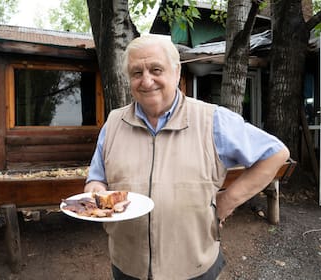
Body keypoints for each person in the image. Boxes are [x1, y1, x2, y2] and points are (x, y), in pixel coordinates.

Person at [84, 34, 290, 280]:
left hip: (193, 267)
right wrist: (96, 192)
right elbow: (97, 178)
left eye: (156, 69)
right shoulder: (113, 123)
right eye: (136, 73)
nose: (146, 81)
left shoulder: (212, 120)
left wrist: (227, 201)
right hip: (128, 264)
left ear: (176, 71)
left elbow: (275, 154)